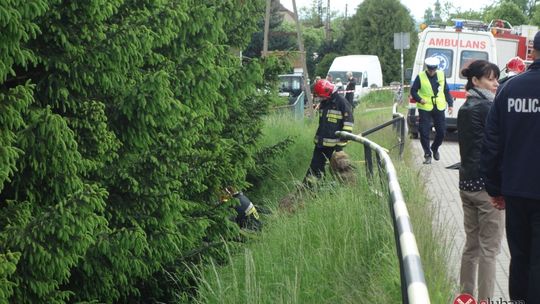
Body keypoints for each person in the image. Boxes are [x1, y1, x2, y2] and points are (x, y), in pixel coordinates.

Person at [480, 31, 540, 303]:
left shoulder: (510, 89)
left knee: (520, 257)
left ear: (533, 51)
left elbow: (492, 143)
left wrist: (494, 187)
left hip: (516, 191)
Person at [457, 60, 503, 301]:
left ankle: (466, 296)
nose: (495, 83)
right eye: (490, 79)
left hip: (466, 184)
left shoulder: (465, 107)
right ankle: (485, 299)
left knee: (471, 246)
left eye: (496, 78)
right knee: (489, 250)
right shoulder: (488, 108)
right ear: (476, 81)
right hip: (486, 188)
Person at [304, 79, 354, 185]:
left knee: (339, 170)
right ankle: (310, 189)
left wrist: (340, 147)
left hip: (334, 146)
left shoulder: (341, 103)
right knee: (315, 167)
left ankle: (314, 188)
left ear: (326, 92)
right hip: (321, 144)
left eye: (321, 96)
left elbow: (348, 124)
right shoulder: (325, 102)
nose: (320, 98)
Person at [410, 56, 454, 164]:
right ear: (427, 68)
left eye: (434, 69)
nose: (432, 72)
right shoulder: (420, 77)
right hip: (425, 107)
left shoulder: (441, 75)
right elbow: (413, 91)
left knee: (441, 132)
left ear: (436, 68)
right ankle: (427, 154)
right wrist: (420, 99)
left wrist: (450, 104)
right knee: (424, 131)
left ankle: (434, 148)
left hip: (439, 107)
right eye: (430, 69)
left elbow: (446, 90)